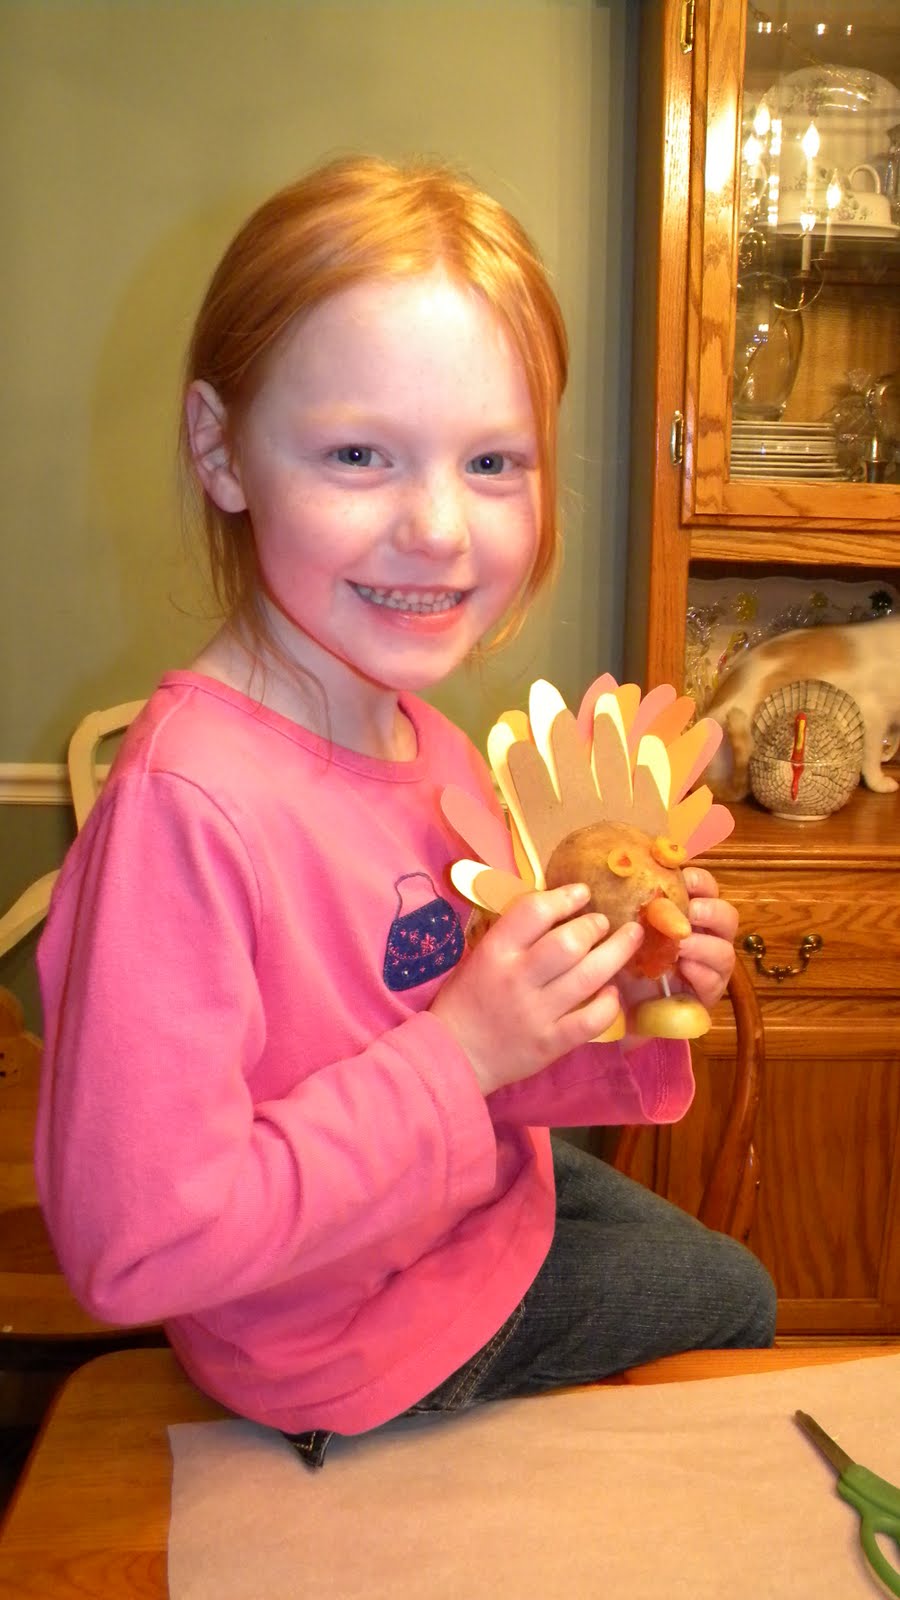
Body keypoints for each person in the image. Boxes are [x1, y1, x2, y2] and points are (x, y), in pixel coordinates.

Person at [35, 155, 775, 1469]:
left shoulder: (425, 738)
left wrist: (624, 979)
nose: (436, 526)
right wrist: (461, 1057)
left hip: (453, 1202)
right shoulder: (187, 810)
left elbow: (489, 1040)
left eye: (494, 461)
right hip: (324, 1322)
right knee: (735, 1297)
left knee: (698, 1267)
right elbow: (135, 1243)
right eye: (360, 453)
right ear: (222, 448)